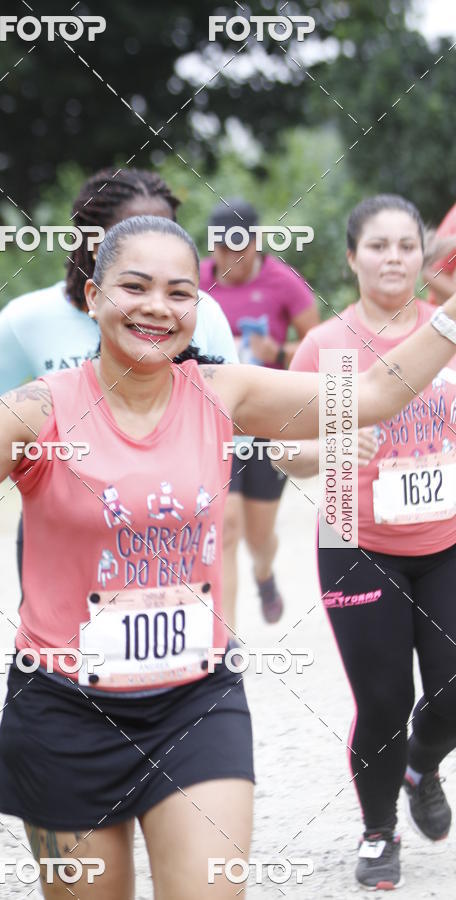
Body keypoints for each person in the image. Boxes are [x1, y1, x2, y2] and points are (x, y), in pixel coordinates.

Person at [0, 216, 456, 899]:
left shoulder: (224, 392)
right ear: (92, 297)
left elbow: (375, 395)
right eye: (134, 287)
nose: (157, 307)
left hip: (196, 706)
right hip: (64, 712)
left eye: (178, 292)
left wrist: (450, 314)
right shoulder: (36, 412)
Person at [0, 168, 238, 583]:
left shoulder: (197, 314)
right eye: (128, 230)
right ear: (89, 239)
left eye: (162, 229)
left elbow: (236, 421)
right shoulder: (31, 317)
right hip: (62, 526)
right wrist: (23, 456)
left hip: (173, 520)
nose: (148, 242)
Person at [286, 195, 456, 890]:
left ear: (425, 257)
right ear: (351, 257)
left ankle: (422, 765)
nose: (393, 258)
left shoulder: (447, 334)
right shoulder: (326, 346)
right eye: (377, 246)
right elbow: (282, 452)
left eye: (406, 246)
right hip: (354, 540)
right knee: (382, 699)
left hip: (447, 536)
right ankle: (378, 830)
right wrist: (326, 444)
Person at [199, 199, 319, 628]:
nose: (231, 257)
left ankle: (265, 574)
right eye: (222, 248)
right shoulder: (194, 280)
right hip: (217, 421)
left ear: (256, 243)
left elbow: (317, 345)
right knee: (225, 526)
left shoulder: (282, 282)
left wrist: (278, 352)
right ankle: (226, 640)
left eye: (240, 247)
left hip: (268, 421)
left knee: (258, 535)